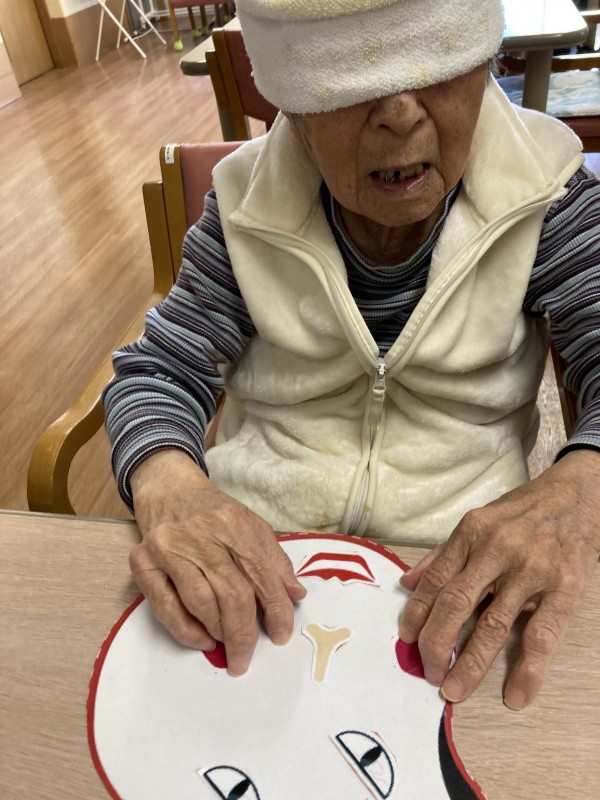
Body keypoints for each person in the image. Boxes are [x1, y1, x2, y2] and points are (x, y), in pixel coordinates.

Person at [102, 0, 600, 711]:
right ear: (293, 100)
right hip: (262, 568)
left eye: (435, 62)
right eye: (352, 73)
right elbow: (158, 372)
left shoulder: (548, 199)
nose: (399, 114)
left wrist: (581, 487)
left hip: (457, 576)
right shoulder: (244, 209)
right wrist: (170, 488)